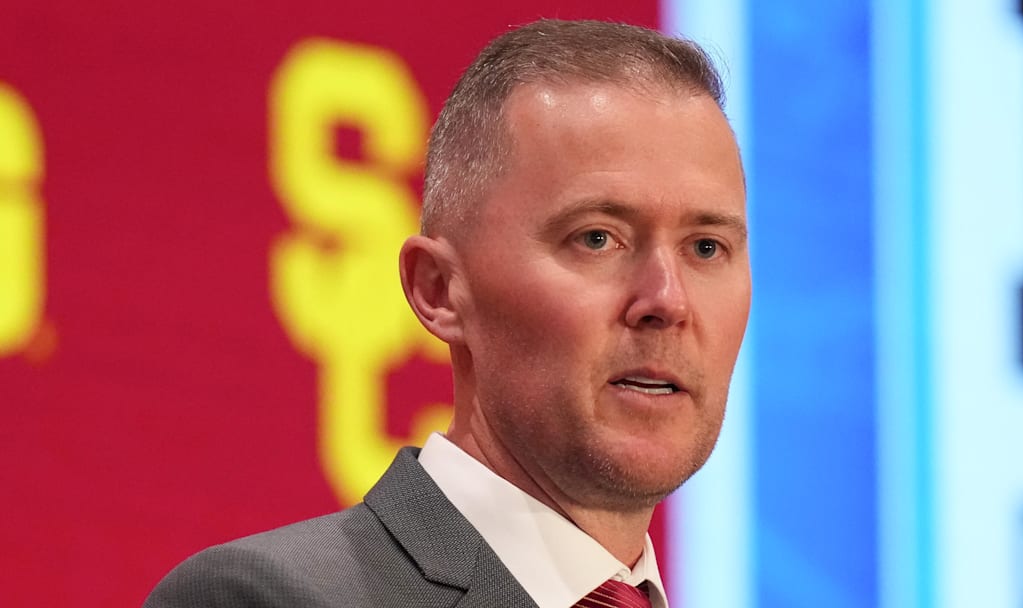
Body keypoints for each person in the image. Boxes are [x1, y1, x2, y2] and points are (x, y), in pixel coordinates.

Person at [145, 18, 749, 608]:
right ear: (438, 290)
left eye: (705, 247)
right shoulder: (267, 598)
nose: (668, 300)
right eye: (596, 238)